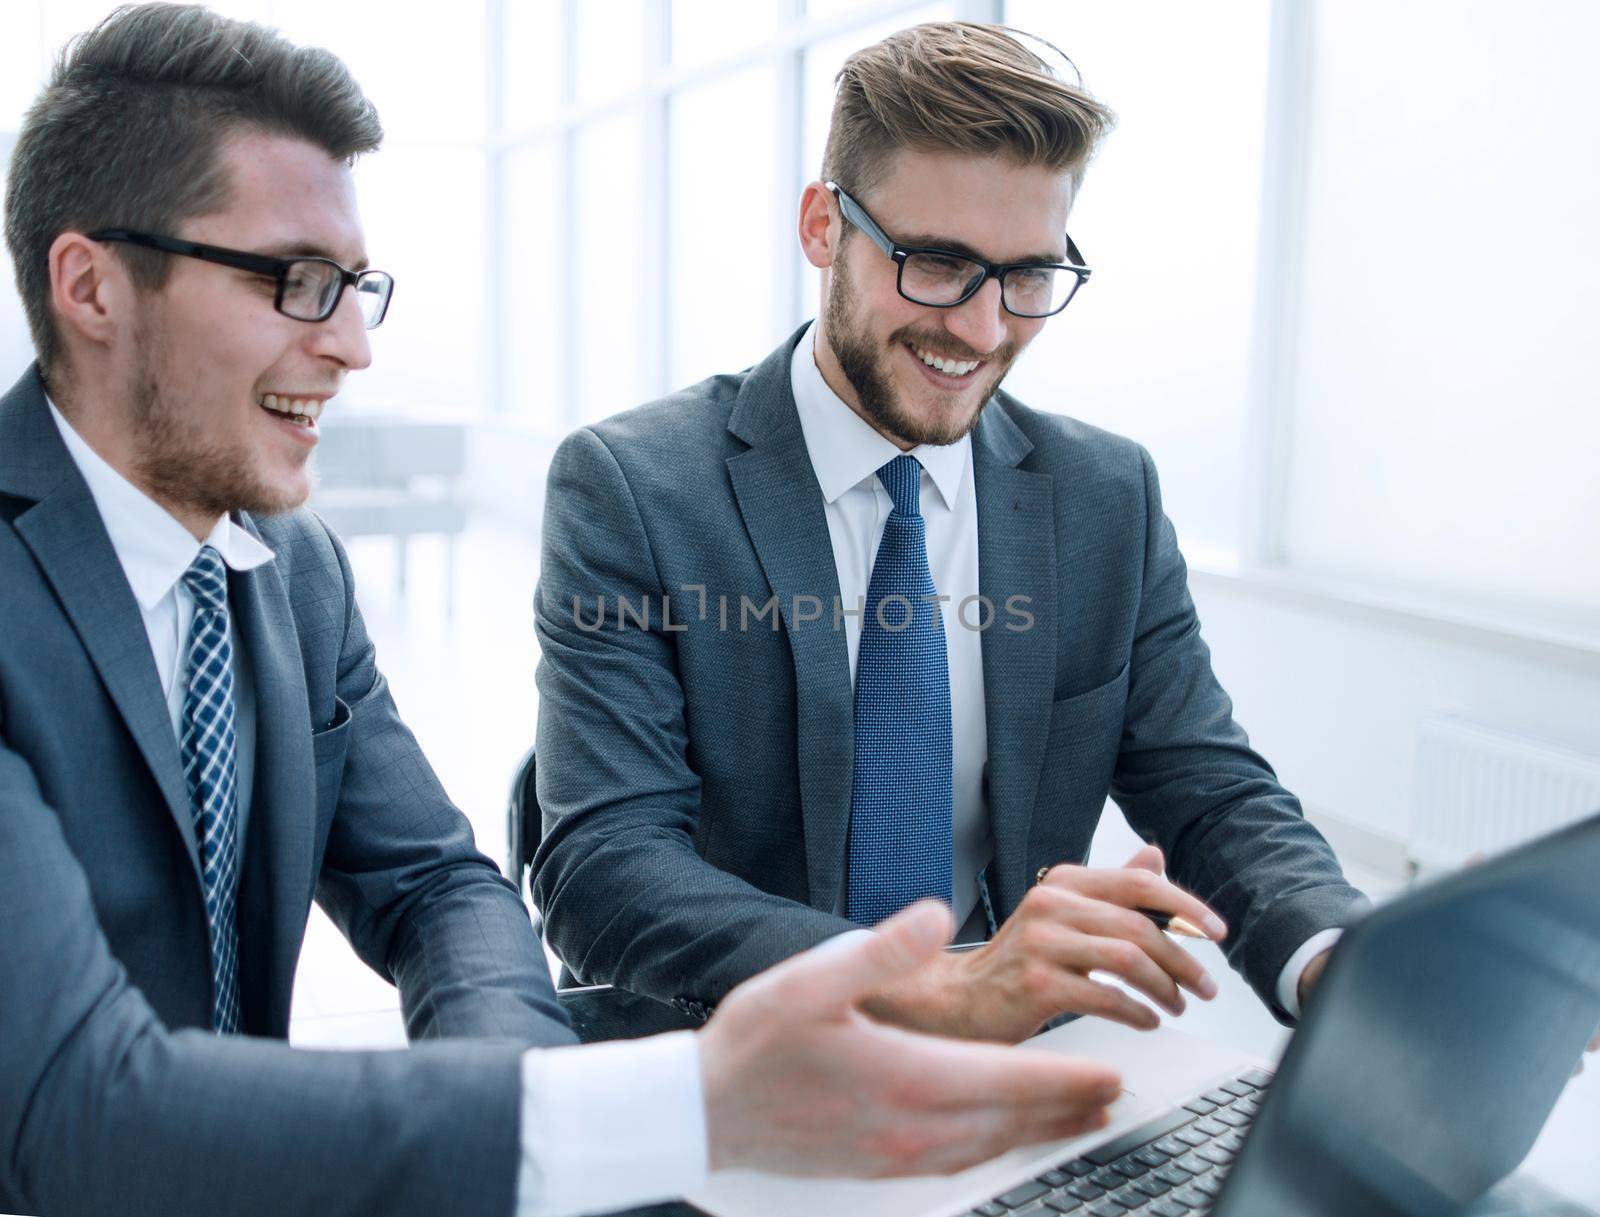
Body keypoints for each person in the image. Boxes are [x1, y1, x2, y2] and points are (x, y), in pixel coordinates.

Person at [0, 9, 1125, 1217]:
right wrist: (647, 1113)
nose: (353, 346)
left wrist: (515, 1112)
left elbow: (434, 885)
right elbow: (76, 1105)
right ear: (92, 286)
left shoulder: (287, 565)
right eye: (296, 283)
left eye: (356, 286)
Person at [532, 20, 1371, 1043]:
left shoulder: (1105, 495)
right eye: (936, 263)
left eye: (1027, 276)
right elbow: (602, 865)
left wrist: (1342, 963)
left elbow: (1207, 786)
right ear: (821, 228)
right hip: (728, 1055)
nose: (979, 331)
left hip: (1001, 1051)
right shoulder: (634, 488)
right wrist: (933, 987)